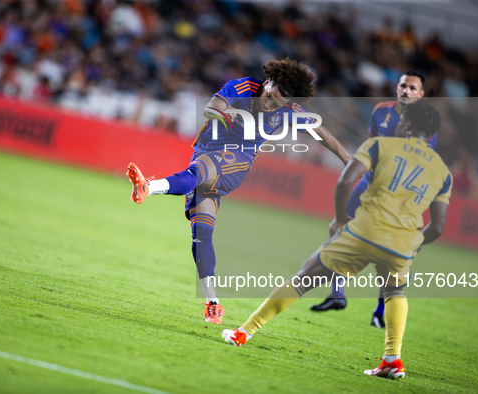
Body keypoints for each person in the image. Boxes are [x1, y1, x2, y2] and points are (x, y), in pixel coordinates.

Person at [222, 100, 451, 380]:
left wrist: (341, 218)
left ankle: (244, 331)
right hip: (402, 243)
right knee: (394, 292)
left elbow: (346, 180)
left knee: (303, 278)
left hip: (364, 231)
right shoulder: (443, 171)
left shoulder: (381, 144)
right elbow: (438, 226)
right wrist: (416, 243)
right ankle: (392, 359)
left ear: (409, 124)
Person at [127, 58, 351, 324]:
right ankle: (213, 304)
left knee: (200, 172)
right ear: (268, 82)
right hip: (205, 152)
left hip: (237, 162)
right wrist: (228, 114)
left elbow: (320, 132)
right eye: (271, 97)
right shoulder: (242, 87)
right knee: (202, 236)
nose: (271, 104)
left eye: (278, 103)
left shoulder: (289, 109)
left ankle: (148, 187)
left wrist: (350, 161)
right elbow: (211, 109)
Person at [310, 70, 435, 330]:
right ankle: (337, 294)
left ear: (421, 94)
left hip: (400, 193)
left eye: (412, 88)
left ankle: (379, 311)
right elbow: (372, 143)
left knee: (393, 253)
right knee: (337, 226)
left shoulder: (425, 121)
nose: (406, 91)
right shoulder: (381, 111)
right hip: (369, 183)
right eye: (403, 86)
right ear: (397, 88)